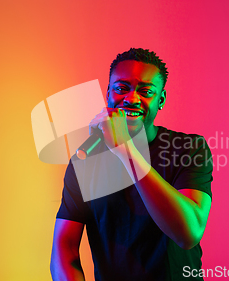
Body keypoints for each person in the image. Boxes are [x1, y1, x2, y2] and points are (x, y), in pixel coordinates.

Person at [50, 48, 213, 281]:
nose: (132, 98)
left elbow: (188, 232)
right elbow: (64, 251)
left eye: (146, 91)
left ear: (161, 100)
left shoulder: (189, 148)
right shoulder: (85, 160)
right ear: (108, 94)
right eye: (121, 88)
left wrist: (126, 150)